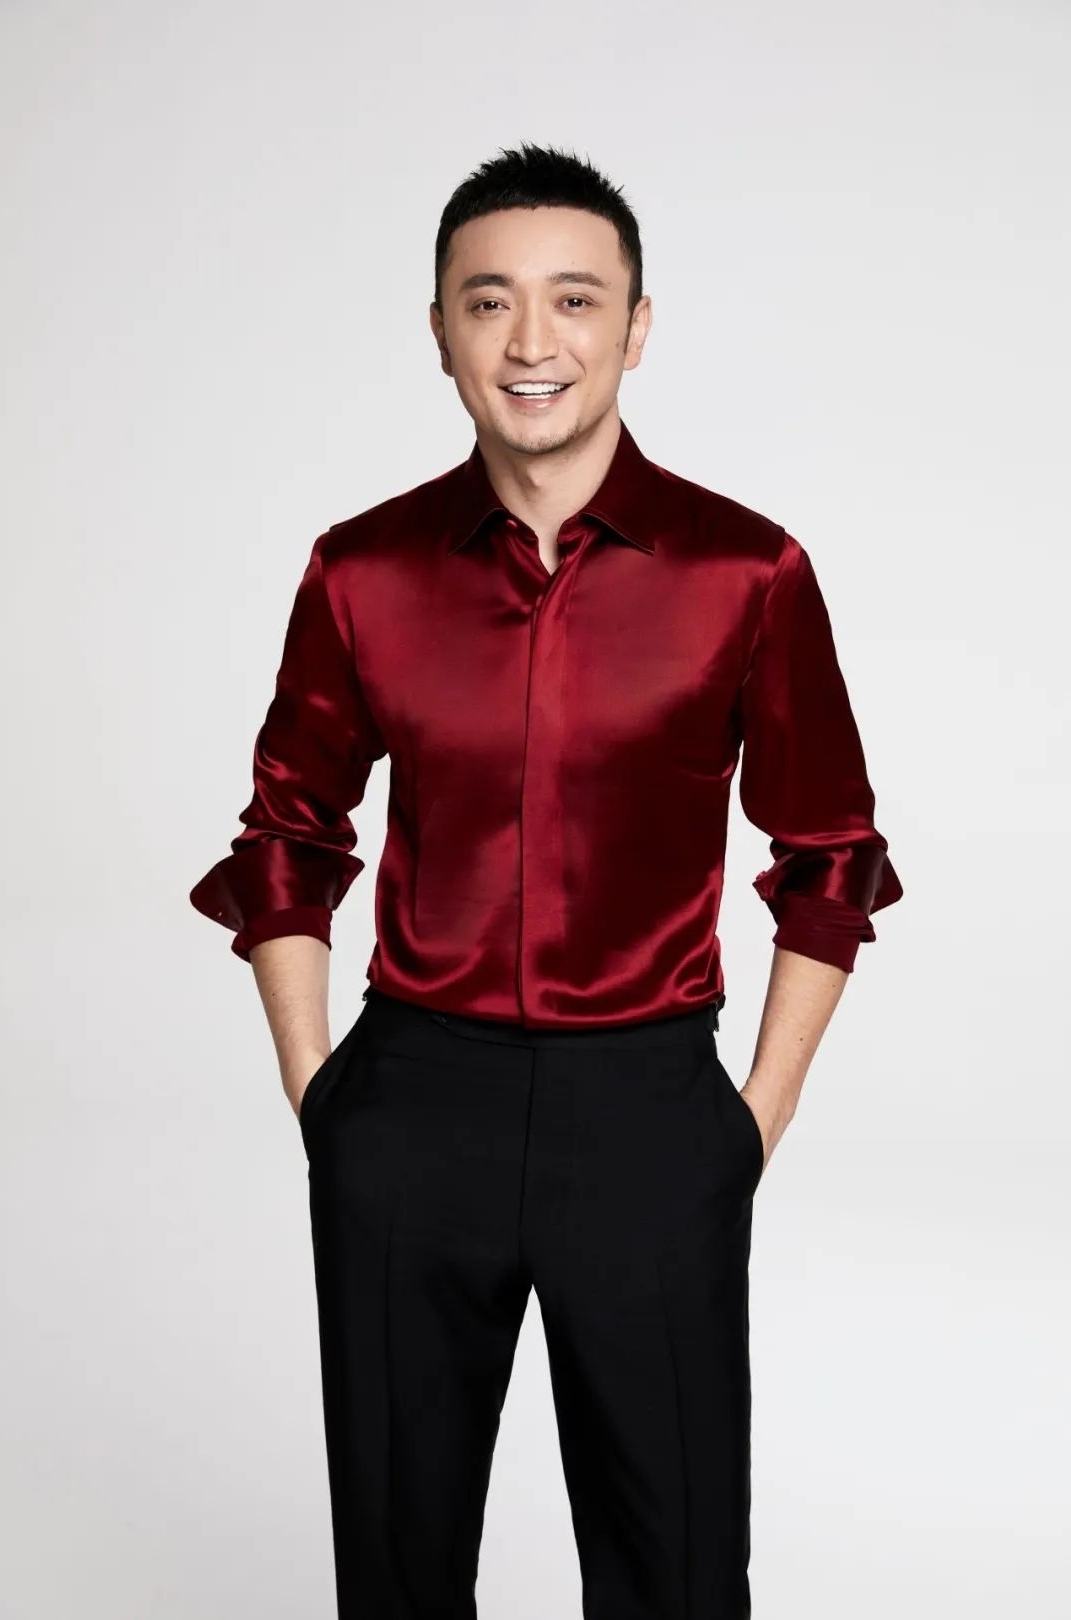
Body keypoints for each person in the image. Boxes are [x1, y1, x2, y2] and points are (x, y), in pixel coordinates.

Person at [189, 141, 903, 1620]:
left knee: (678, 1573)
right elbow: (290, 835)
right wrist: (324, 1098)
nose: (532, 340)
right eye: (489, 300)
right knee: (396, 1568)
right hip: (410, 1105)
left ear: (636, 329)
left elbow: (830, 851)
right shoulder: (360, 572)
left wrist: (748, 1123)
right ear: (439, 331)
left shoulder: (747, 572)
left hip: (647, 1111)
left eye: (575, 299)